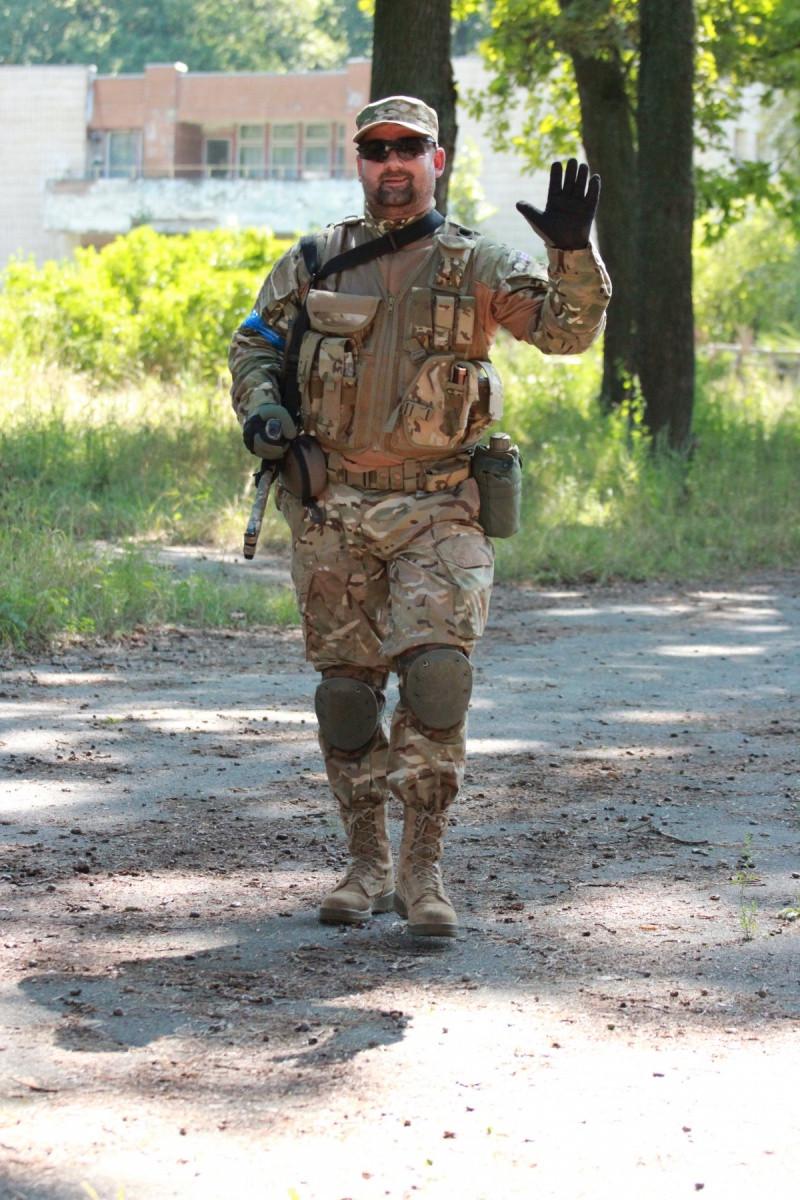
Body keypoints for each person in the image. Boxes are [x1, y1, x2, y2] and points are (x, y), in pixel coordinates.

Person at [228, 95, 611, 938]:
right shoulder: (315, 260)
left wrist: (573, 252)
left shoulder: (479, 263)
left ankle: (423, 870)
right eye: (377, 150)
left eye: (410, 148)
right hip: (332, 506)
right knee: (346, 696)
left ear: (437, 160)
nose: (392, 163)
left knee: (437, 679)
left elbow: (566, 333)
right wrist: (262, 409)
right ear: (360, 162)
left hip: (441, 502)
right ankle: (366, 863)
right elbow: (255, 341)